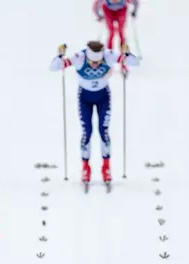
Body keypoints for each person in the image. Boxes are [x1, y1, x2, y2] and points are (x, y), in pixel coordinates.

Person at [49, 41, 139, 184]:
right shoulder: (79, 57)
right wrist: (60, 55)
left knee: (103, 131)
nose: (95, 65)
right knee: (87, 132)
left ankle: (106, 167)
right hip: (85, 98)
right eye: (92, 62)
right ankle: (85, 167)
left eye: (98, 62)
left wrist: (126, 53)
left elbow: (135, 63)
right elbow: (54, 67)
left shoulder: (108, 55)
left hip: (103, 97)